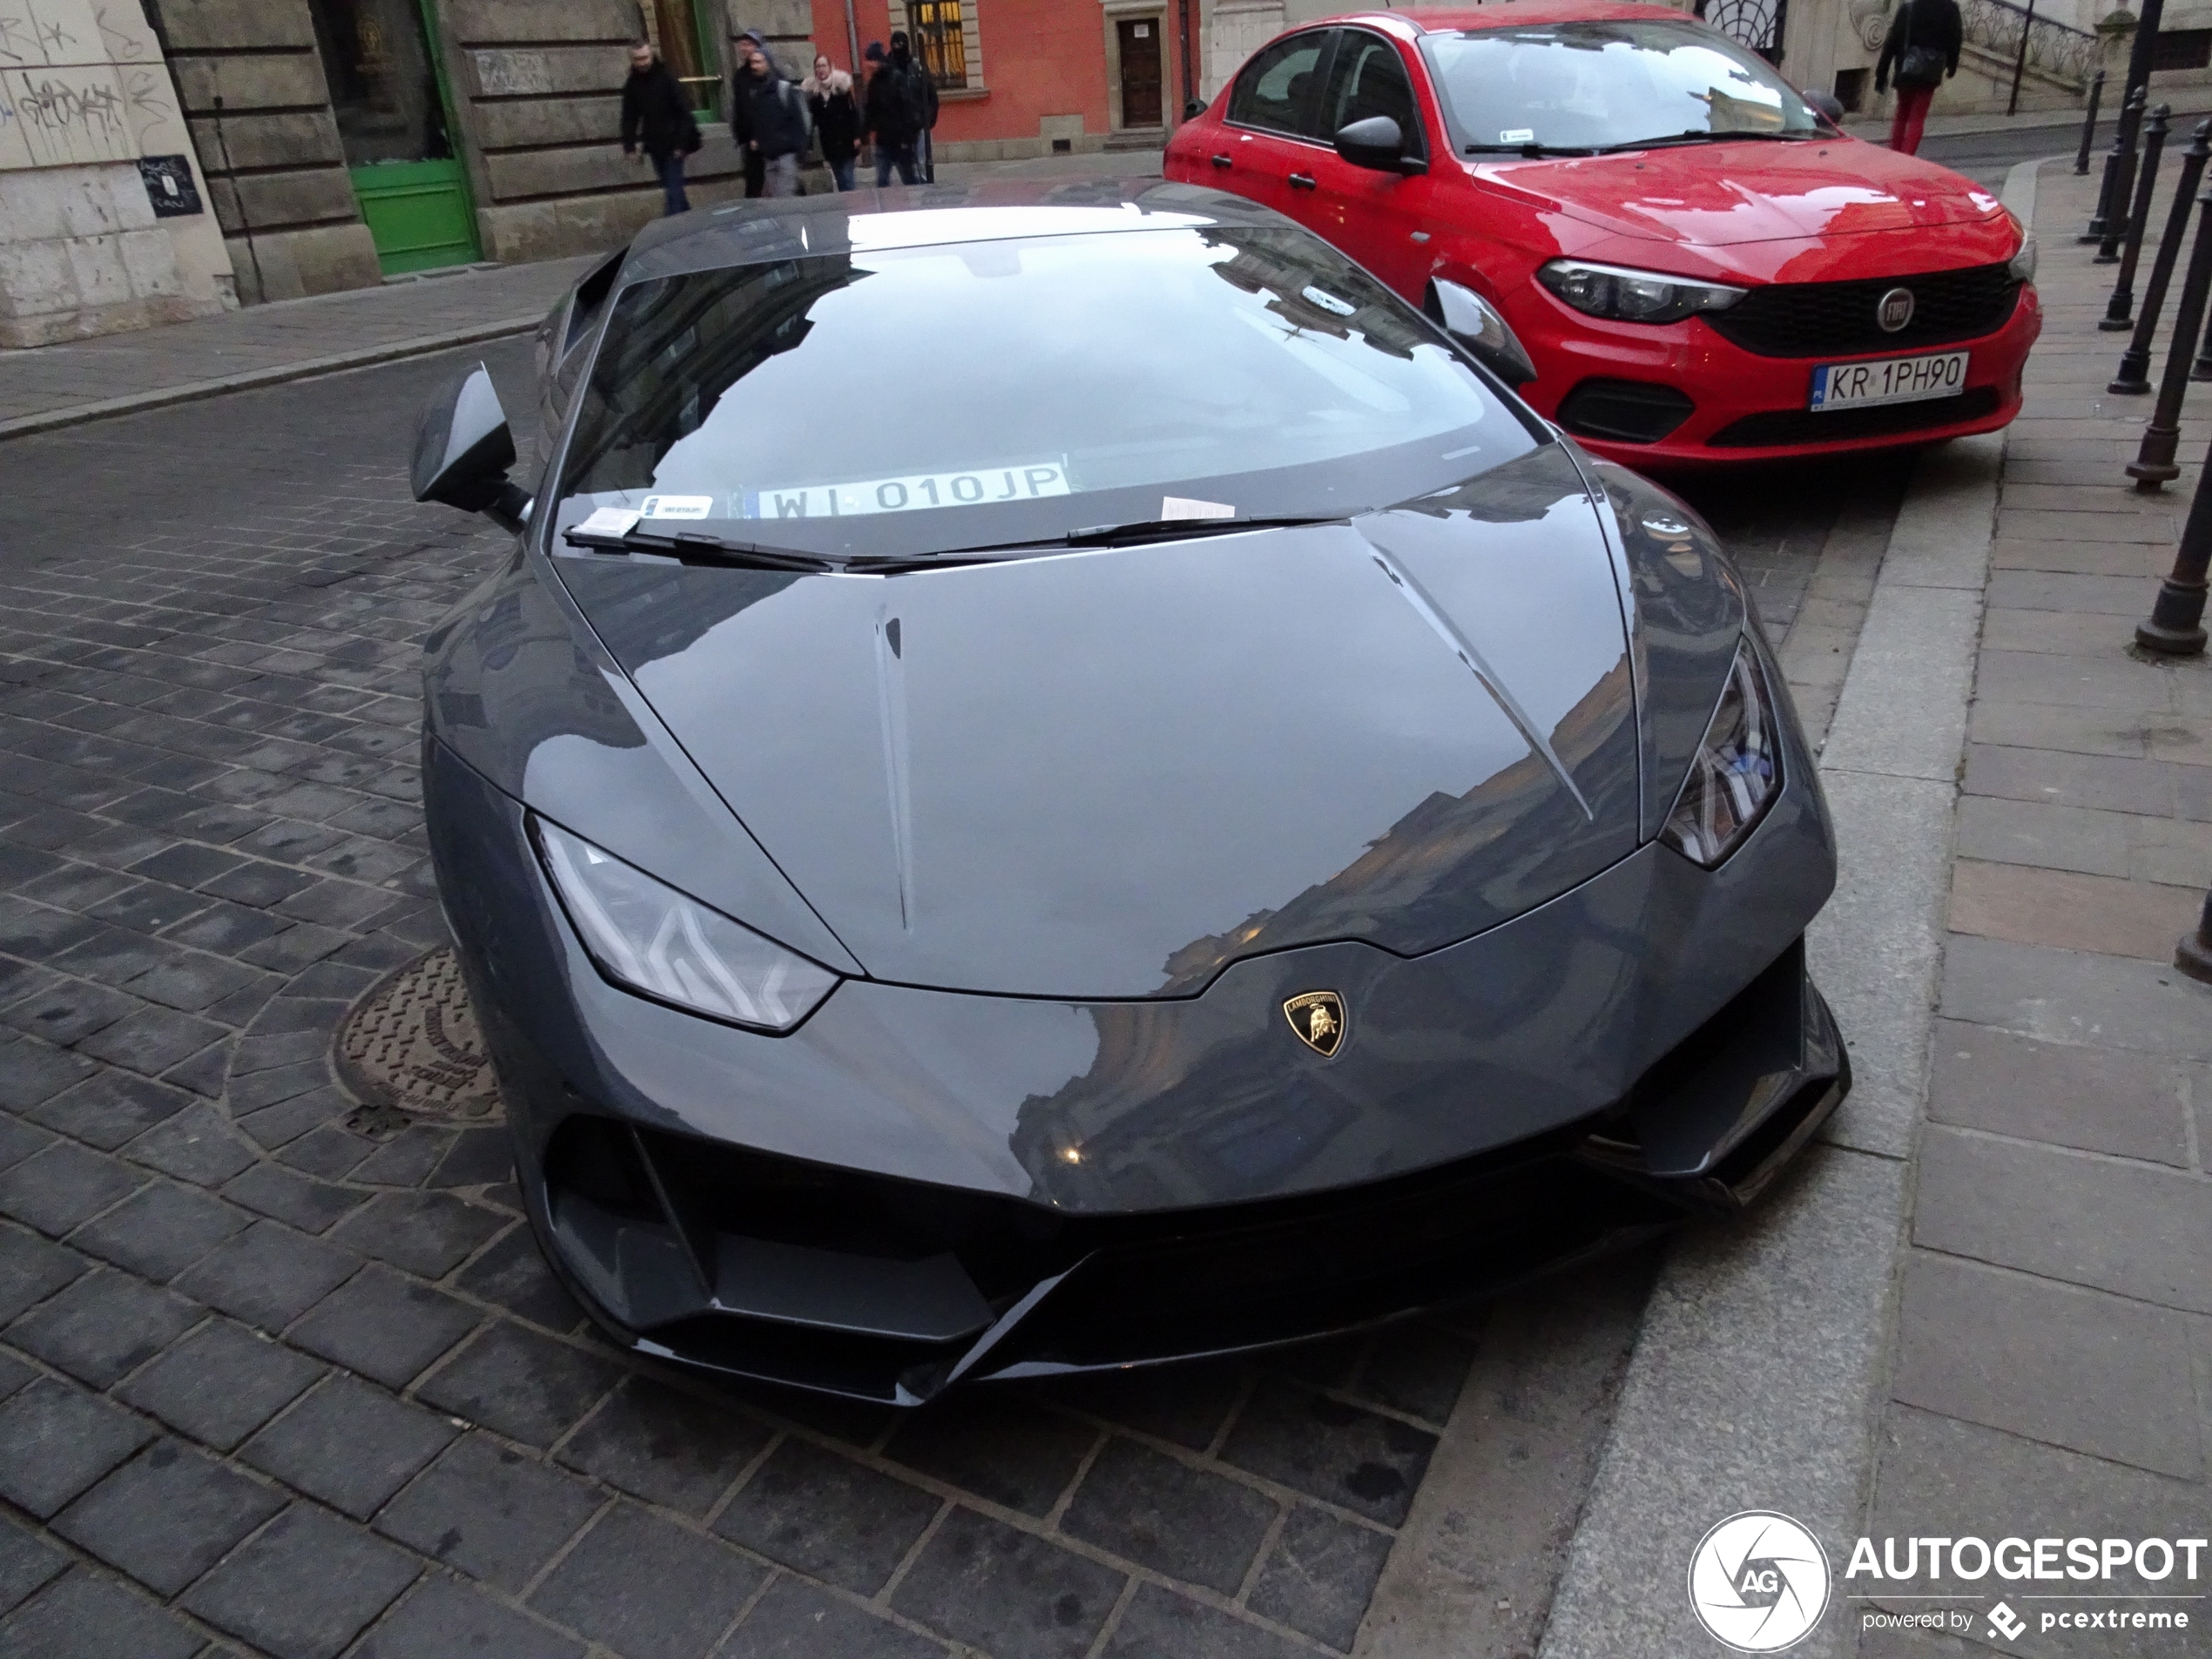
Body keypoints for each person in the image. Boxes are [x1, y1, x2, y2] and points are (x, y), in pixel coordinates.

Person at [620, 40, 700, 216]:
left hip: (674, 142)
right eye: (638, 59)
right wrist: (629, 145)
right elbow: (629, 116)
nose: (642, 63)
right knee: (674, 190)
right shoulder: (633, 83)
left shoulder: (667, 78)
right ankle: (691, 221)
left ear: (652, 55)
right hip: (655, 144)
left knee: (672, 192)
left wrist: (681, 144)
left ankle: (671, 232)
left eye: (645, 58)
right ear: (632, 60)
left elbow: (684, 112)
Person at [1874, 0, 1959, 156]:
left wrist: (1882, 72)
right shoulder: (1950, 8)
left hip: (1906, 68)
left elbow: (1892, 41)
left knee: (1902, 113)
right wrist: (1952, 66)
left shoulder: (1908, 8)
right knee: (1918, 117)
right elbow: (1955, 40)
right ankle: (1908, 156)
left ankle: (1894, 154)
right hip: (1930, 71)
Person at [731, 30, 811, 198]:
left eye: (749, 44)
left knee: (785, 193)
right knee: (763, 190)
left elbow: (795, 119)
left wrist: (798, 148)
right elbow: (746, 112)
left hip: (782, 149)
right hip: (759, 147)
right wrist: (747, 137)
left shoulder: (779, 84)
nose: (754, 65)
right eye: (743, 44)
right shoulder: (741, 78)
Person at [863, 37, 922, 186]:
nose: (867, 65)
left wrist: (907, 139)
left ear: (877, 61)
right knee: (882, 181)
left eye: (870, 60)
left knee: (909, 179)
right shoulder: (873, 83)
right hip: (883, 141)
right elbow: (869, 109)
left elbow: (907, 109)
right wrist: (863, 132)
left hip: (900, 141)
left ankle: (921, 204)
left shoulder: (896, 78)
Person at [806, 51, 863, 191]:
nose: (821, 69)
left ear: (830, 67)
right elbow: (812, 119)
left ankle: (851, 205)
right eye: (818, 66)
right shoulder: (813, 92)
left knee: (847, 178)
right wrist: (809, 141)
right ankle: (846, 206)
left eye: (824, 65)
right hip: (829, 142)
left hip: (846, 139)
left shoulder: (841, 87)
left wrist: (857, 135)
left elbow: (853, 113)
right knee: (839, 177)